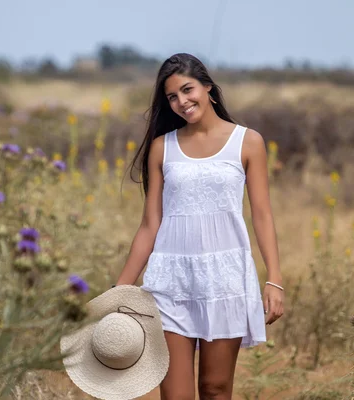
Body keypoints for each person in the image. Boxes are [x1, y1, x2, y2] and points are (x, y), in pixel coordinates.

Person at [116, 53, 284, 400]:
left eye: (187, 90)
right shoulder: (163, 147)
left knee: (215, 389)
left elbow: (262, 215)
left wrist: (274, 279)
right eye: (172, 97)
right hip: (170, 281)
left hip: (225, 279)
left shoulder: (247, 142)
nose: (181, 102)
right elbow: (150, 225)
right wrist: (120, 291)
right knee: (174, 395)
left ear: (208, 87)